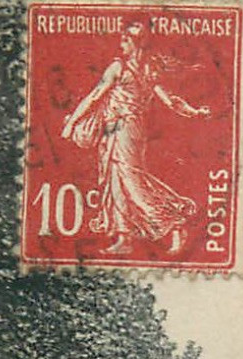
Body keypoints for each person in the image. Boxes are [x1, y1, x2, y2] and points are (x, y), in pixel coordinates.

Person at [58, 23, 210, 256]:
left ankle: (174, 223)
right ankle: (123, 237)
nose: (121, 44)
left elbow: (94, 97)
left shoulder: (119, 67)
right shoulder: (150, 70)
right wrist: (195, 111)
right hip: (124, 129)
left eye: (125, 40)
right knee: (115, 180)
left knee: (130, 179)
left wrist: (70, 124)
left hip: (122, 129)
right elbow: (171, 101)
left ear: (134, 43)